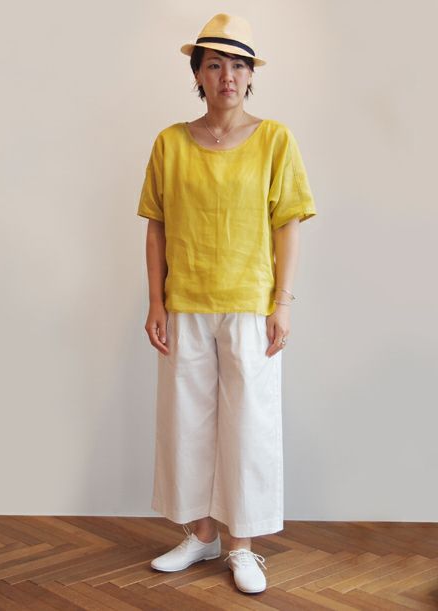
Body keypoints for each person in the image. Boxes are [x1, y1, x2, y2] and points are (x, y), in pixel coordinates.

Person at [136, 13, 317, 595]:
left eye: (238, 65)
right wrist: (155, 301)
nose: (227, 76)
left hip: (249, 305)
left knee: (249, 426)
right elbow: (157, 226)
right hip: (185, 303)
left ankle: (242, 546)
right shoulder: (170, 143)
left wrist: (282, 303)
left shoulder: (275, 140)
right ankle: (201, 534)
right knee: (187, 424)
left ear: (251, 75)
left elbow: (288, 224)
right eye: (214, 65)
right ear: (197, 74)